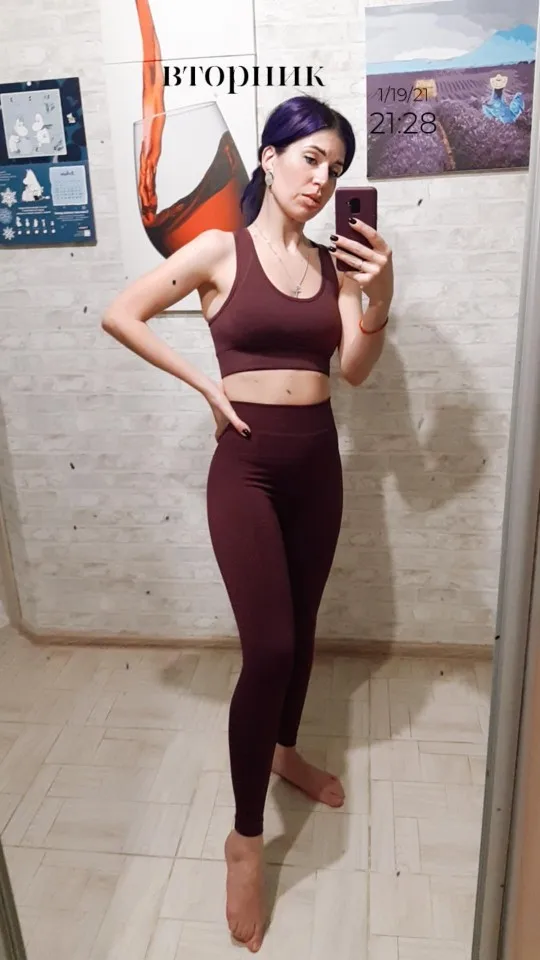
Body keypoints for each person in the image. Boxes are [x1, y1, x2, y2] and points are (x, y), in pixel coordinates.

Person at [101, 94, 393, 952]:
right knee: (267, 649)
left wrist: (378, 297)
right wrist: (205, 383)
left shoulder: (337, 265)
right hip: (248, 468)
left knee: (301, 635)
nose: (323, 178)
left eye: (336, 167)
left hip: (318, 466)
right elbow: (122, 313)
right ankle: (244, 838)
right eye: (310, 158)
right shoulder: (217, 250)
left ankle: (284, 750)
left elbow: (356, 370)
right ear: (268, 157)